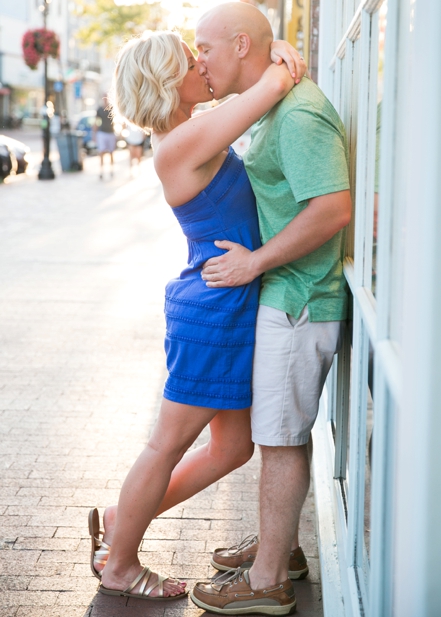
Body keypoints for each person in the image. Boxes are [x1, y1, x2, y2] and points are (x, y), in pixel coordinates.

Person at [86, 31, 306, 602]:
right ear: (167, 83)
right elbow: (273, 84)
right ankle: (120, 566)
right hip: (215, 308)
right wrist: (273, 52)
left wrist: (269, 47)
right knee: (165, 444)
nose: (202, 66)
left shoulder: (187, 134)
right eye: (190, 61)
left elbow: (256, 87)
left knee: (232, 448)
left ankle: (120, 517)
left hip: (224, 299)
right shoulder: (180, 143)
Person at [189, 2, 351, 615]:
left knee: (280, 442)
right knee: (283, 437)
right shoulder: (275, 98)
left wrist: (253, 263)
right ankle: (278, 552)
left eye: (205, 46)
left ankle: (266, 586)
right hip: (288, 298)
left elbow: (332, 210)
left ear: (237, 44)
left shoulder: (301, 116)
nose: (199, 59)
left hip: (300, 301)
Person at [95, 95, 116, 179]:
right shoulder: (99, 109)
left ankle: (111, 170)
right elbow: (96, 122)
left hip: (111, 132)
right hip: (102, 132)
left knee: (111, 153)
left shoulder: (112, 108)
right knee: (101, 152)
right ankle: (101, 171)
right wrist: (94, 134)